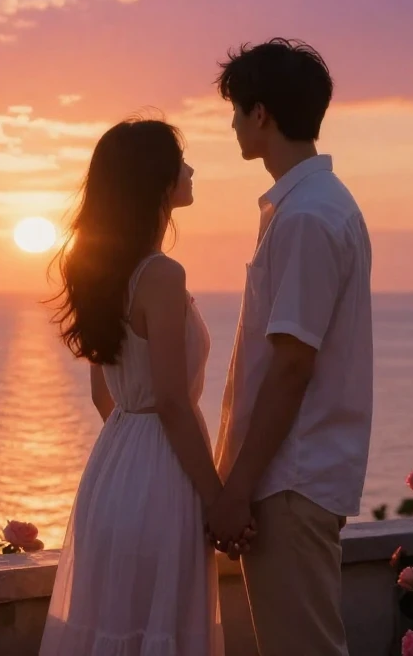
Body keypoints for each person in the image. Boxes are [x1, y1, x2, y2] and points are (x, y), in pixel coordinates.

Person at [205, 38, 375, 656]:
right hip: (291, 476)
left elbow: (291, 365)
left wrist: (237, 487)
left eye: (235, 110)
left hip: (290, 479)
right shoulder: (312, 206)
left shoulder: (306, 216)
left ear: (261, 114)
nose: (230, 125)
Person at [39, 118, 229, 656]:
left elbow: (104, 393)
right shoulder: (161, 275)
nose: (190, 170)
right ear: (156, 179)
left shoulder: (101, 271)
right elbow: (172, 401)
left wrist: (134, 453)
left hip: (114, 470)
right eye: (180, 161)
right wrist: (217, 500)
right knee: (162, 631)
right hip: (163, 480)